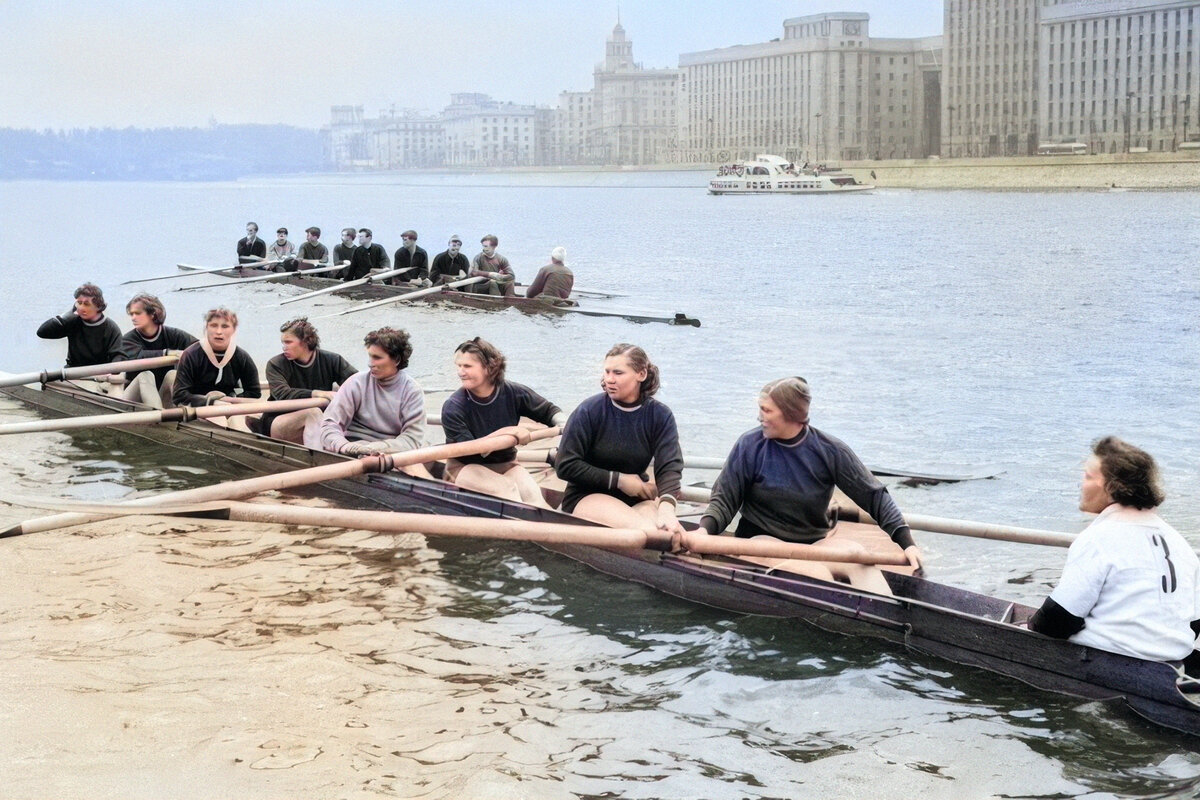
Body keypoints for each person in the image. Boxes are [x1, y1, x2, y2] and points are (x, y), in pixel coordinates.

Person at [688, 377, 922, 593]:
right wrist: (703, 532)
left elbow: (876, 498)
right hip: (761, 542)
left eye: (766, 410)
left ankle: (888, 612)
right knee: (816, 574)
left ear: (790, 414)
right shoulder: (750, 445)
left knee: (860, 558)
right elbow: (724, 501)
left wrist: (907, 544)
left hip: (815, 545)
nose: (759, 417)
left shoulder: (830, 450)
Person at [1028, 437, 1200, 662]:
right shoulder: (1178, 541)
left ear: (1112, 487)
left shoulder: (1099, 538)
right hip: (1173, 661)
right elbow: (1195, 623)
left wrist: (1030, 625)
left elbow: (1058, 620)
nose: (1081, 483)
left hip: (1112, 662)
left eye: (1088, 476)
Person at [554, 343, 684, 537]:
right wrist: (619, 480)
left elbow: (669, 466)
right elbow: (564, 465)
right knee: (653, 535)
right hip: (588, 496)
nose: (609, 380)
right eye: (607, 372)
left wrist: (667, 506)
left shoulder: (660, 415)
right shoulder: (589, 410)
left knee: (668, 531)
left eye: (618, 373)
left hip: (635, 499)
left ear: (641, 374)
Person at [441, 338, 568, 507]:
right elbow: (473, 450)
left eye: (468, 366)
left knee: (535, 500)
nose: (461, 372)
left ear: (489, 367)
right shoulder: (453, 407)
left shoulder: (513, 392)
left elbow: (549, 411)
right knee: (508, 491)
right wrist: (509, 431)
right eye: (459, 366)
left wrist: (565, 424)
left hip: (507, 464)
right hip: (466, 467)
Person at [314, 327, 431, 477]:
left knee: (415, 467)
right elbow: (329, 425)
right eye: (369, 357)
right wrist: (345, 446)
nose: (370, 364)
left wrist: (374, 449)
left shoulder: (412, 390)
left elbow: (411, 439)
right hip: (352, 448)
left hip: (390, 450)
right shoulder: (356, 383)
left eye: (377, 358)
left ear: (396, 360)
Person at [262, 317, 357, 443]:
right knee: (313, 413)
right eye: (283, 343)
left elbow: (357, 385)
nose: (284, 347)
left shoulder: (333, 360)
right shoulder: (275, 364)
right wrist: (316, 393)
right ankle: (319, 458)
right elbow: (282, 394)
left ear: (306, 341)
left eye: (288, 342)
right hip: (278, 419)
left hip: (319, 419)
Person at [172, 307, 262, 432]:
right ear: (206, 328)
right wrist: (210, 400)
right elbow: (179, 396)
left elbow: (254, 392)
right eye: (213, 325)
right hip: (197, 407)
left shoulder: (242, 357)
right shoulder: (191, 354)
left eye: (225, 326)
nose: (219, 331)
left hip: (228, 404)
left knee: (237, 420)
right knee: (220, 418)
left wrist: (230, 398)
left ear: (233, 330)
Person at [120, 293, 198, 409]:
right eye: (131, 314)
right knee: (145, 375)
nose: (133, 318)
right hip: (133, 401)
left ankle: (186, 413)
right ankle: (160, 417)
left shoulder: (173, 335)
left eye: (137, 313)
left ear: (152, 314)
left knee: (172, 375)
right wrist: (167, 353)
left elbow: (199, 348)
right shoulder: (128, 339)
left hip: (160, 399)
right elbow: (139, 356)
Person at [37, 283, 123, 368]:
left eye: (86, 304)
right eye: (79, 303)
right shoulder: (73, 322)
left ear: (98, 306)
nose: (81, 308)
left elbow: (118, 355)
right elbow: (42, 332)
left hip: (100, 373)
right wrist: (68, 316)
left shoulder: (110, 327)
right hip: (73, 372)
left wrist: (111, 372)